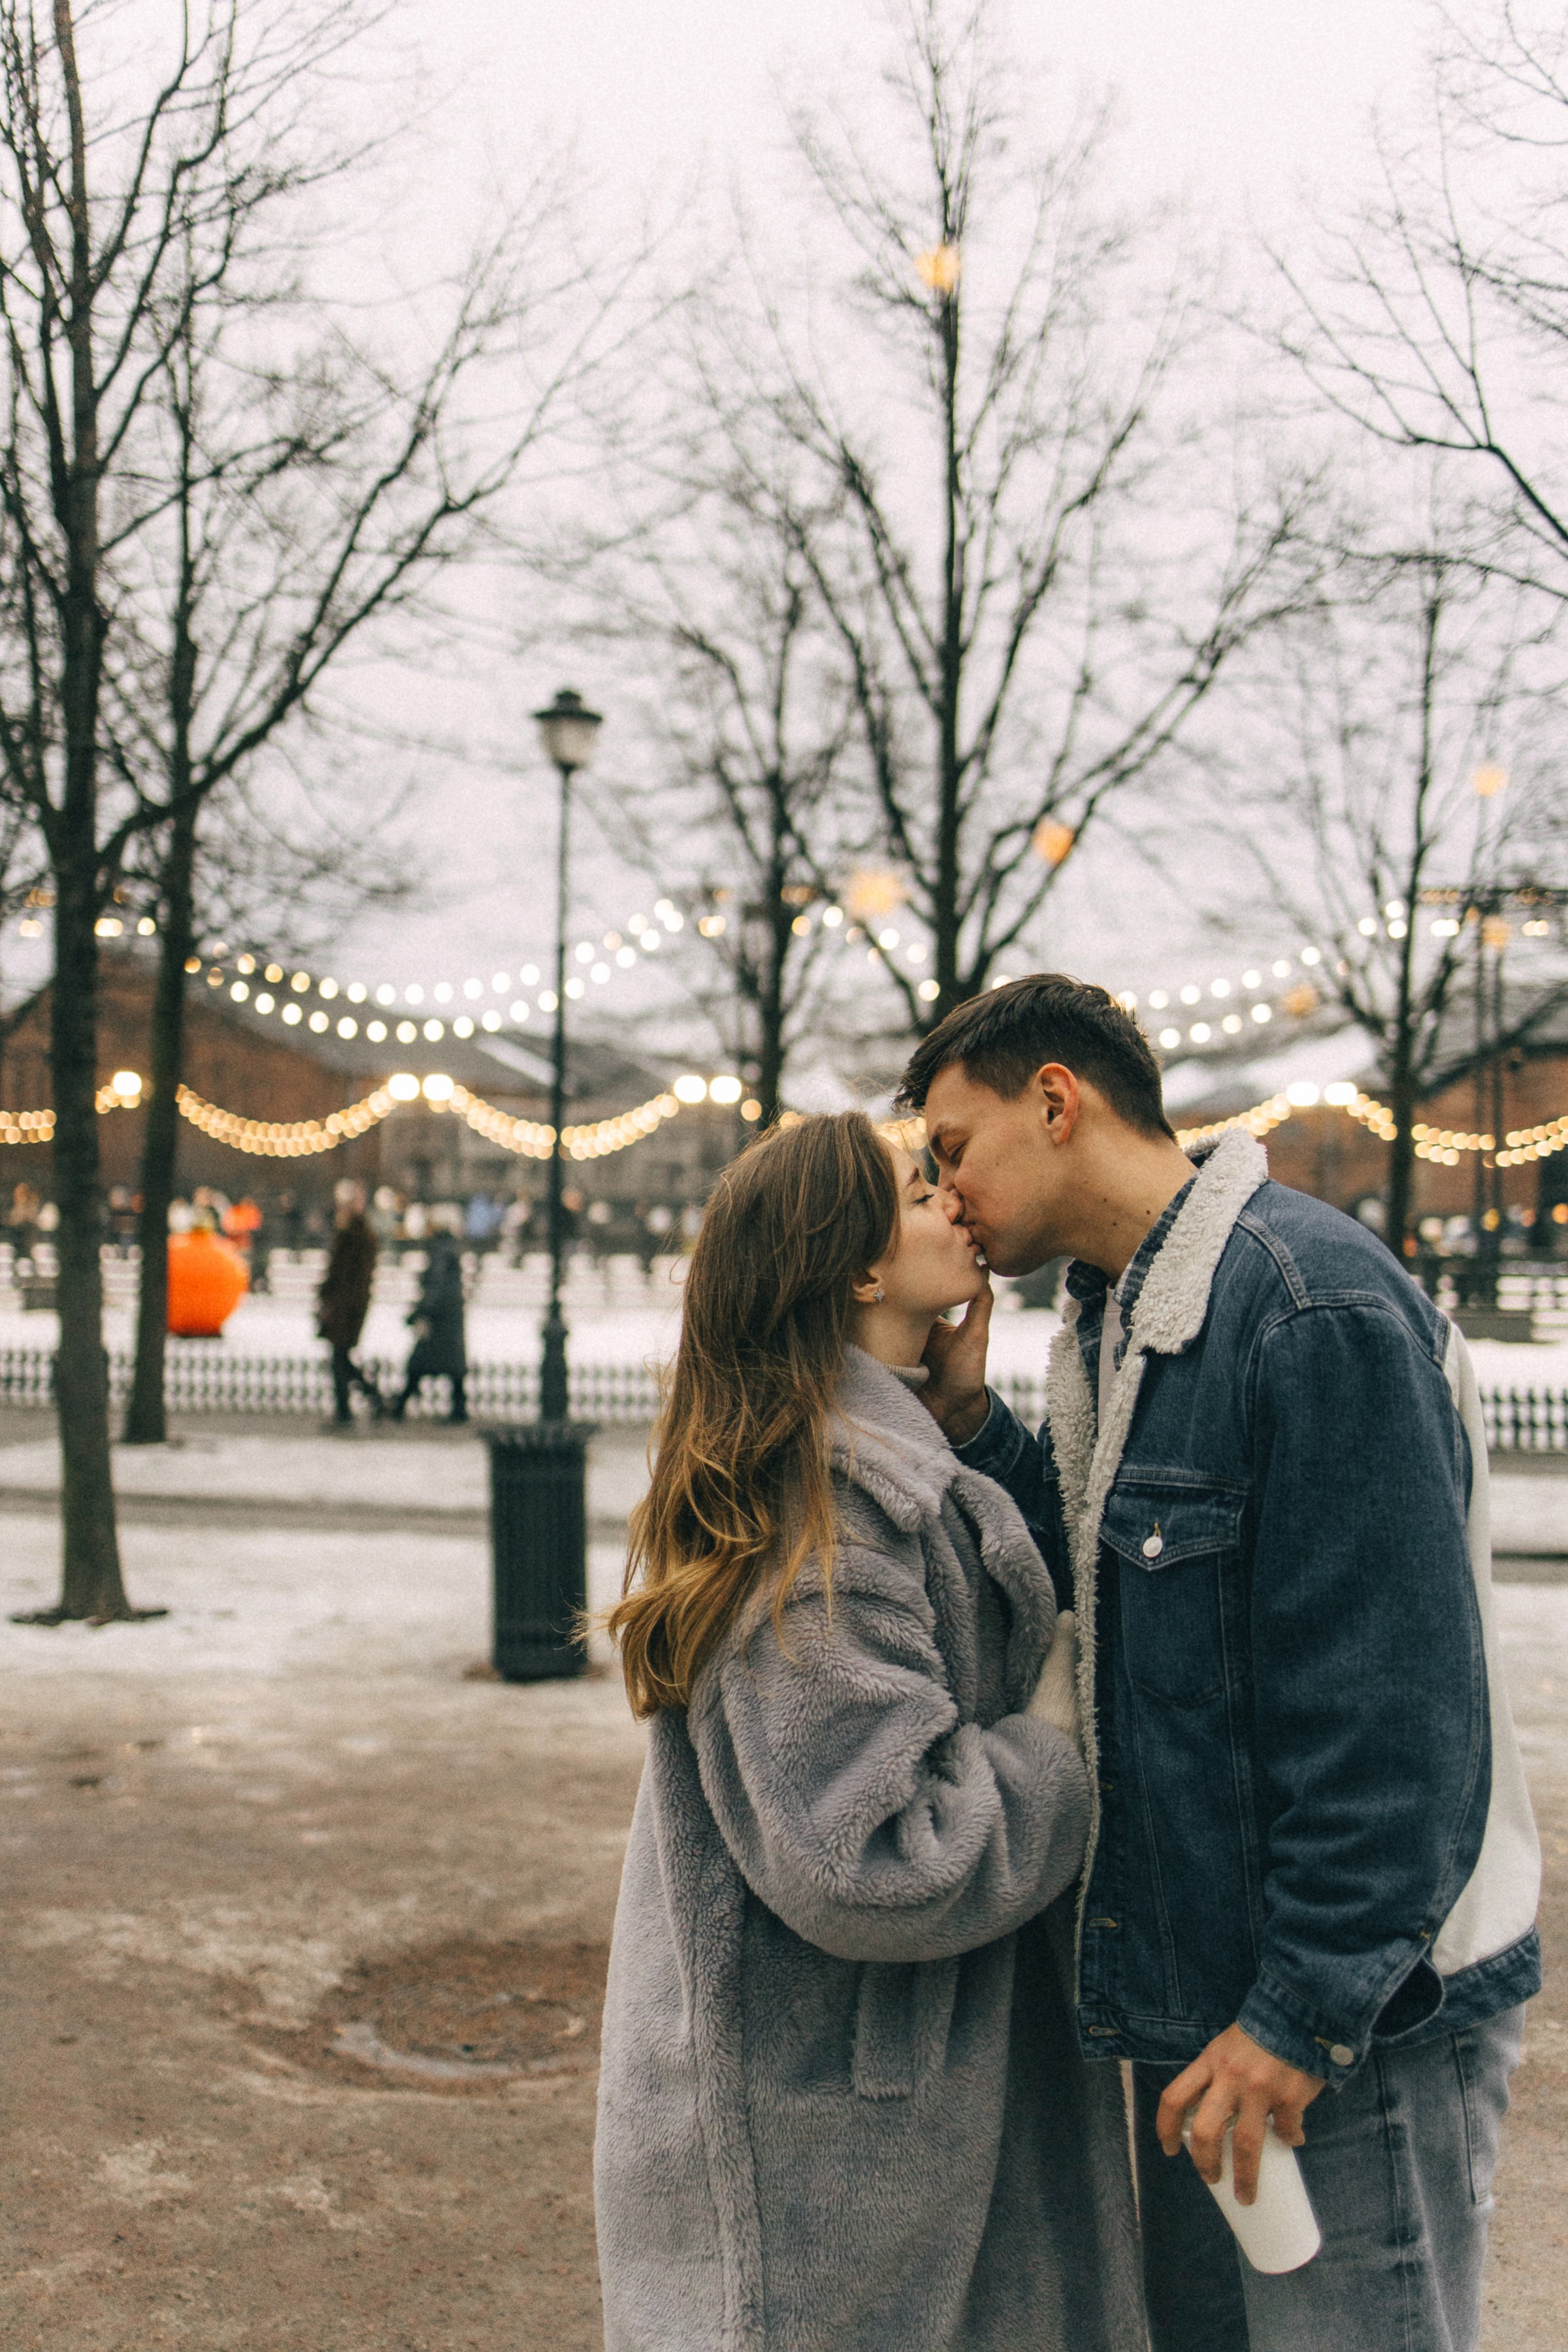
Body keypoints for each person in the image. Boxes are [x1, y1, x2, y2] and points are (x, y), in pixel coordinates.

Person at [898, 974, 1540, 2352]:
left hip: (1355, 2020)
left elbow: (1395, 1712)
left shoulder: (1306, 1305)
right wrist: (976, 1425)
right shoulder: (1121, 1310)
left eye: (952, 1148)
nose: (946, 1196)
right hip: (1222, 2004)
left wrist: (1302, 2016)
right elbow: (1127, 1592)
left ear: (1056, 1101)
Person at [595, 1111, 1145, 2352]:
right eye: (915, 1188)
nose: (954, 1197)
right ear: (854, 1269)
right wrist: (1055, 1744)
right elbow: (877, 1857)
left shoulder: (875, 1468)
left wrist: (960, 1421)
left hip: (899, 2112)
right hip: (836, 2144)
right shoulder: (823, 1514)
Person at [316, 1179, 384, 1425]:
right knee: (341, 1356)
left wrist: (329, 1296)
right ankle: (368, 1398)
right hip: (346, 1304)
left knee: (339, 1356)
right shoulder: (353, 1233)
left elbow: (343, 1273)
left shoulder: (355, 1235)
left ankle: (345, 1410)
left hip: (346, 1305)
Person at [391, 1210, 468, 1423]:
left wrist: (422, 1311)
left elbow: (436, 1286)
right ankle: (459, 1408)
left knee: (420, 1364)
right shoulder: (450, 1248)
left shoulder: (441, 1250)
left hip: (440, 1319)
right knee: (452, 1366)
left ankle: (400, 1406)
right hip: (450, 1317)